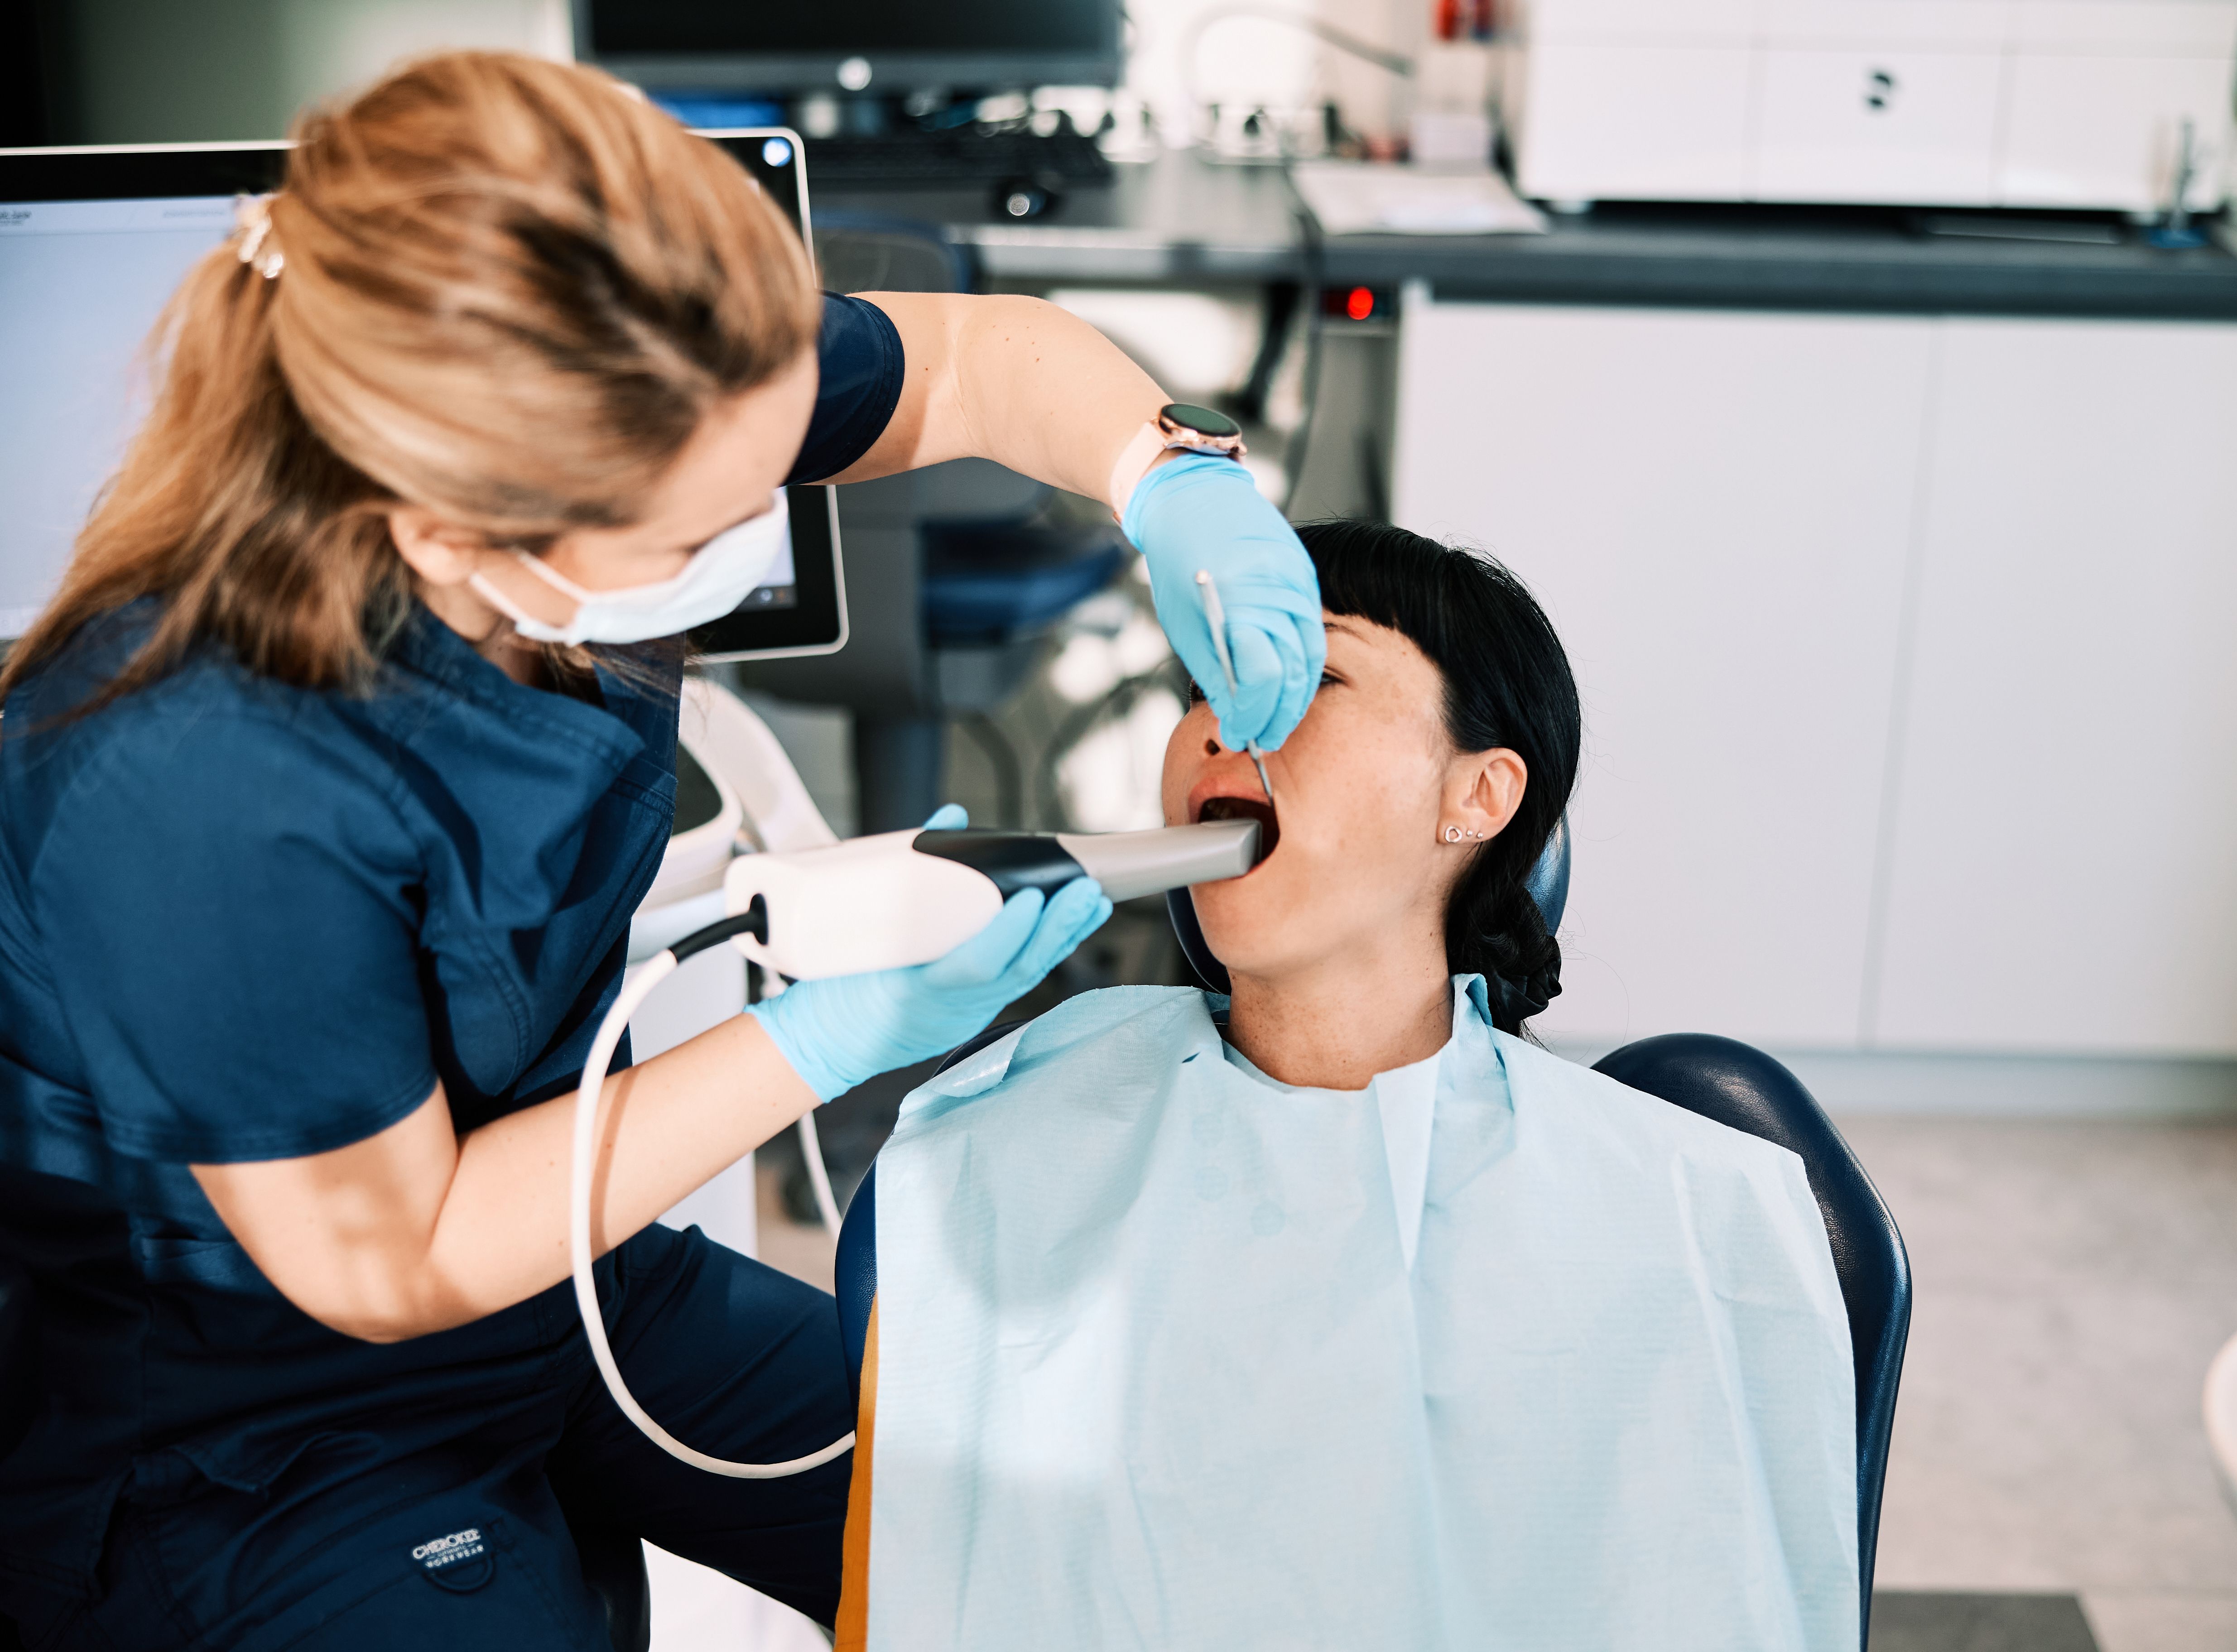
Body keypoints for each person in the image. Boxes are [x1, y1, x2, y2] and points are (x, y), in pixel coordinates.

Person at [0, 52, 1323, 1648]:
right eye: (699, 539)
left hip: (572, 1277)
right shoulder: (192, 773)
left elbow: (971, 364)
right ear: (453, 534)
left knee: (1102, 1531)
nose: (757, 532)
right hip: (258, 1421)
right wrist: (819, 1038)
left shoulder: (661, 384)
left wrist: (1168, 474)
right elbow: (393, 1253)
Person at [844, 522, 1860, 1649]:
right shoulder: (1003, 1143)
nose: (1222, 721)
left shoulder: (1689, 1209)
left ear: (1478, 795)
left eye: (1309, 675)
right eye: (1204, 682)